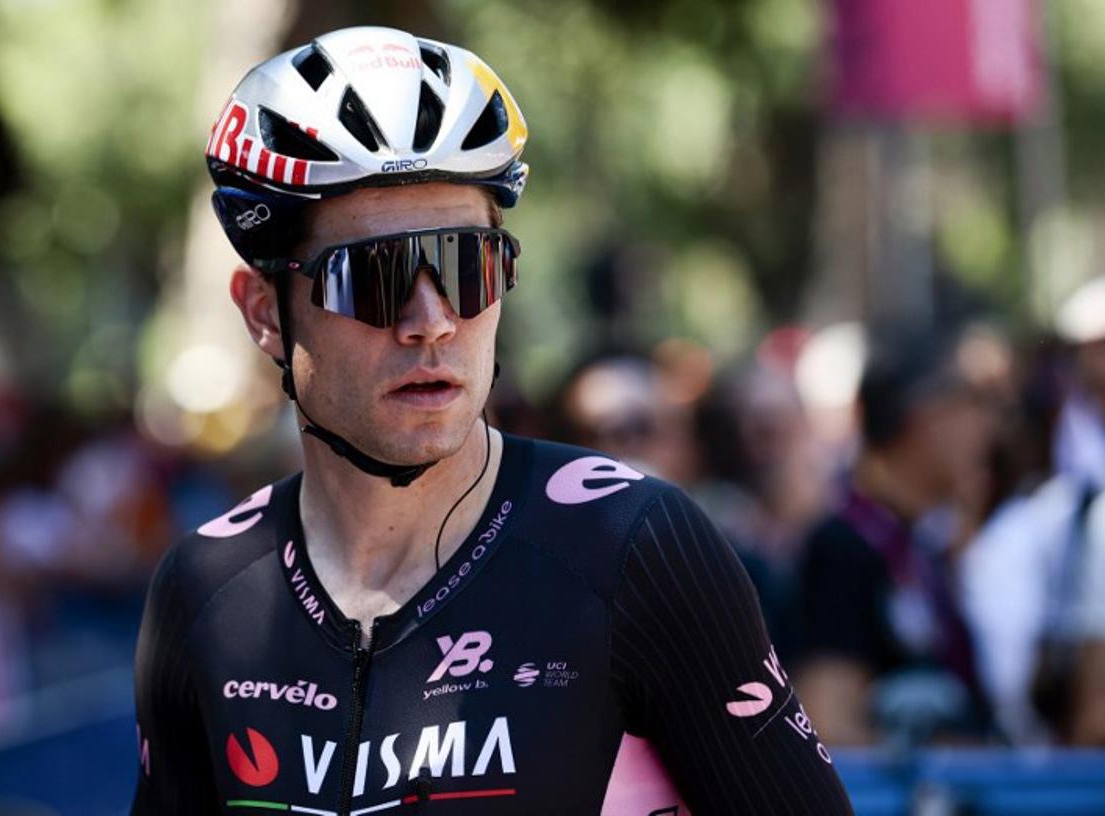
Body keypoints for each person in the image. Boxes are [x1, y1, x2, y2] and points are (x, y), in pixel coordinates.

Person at [131, 26, 852, 814]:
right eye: (373, 278)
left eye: (467, 265)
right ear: (266, 312)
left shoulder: (633, 546)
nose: (431, 321)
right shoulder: (205, 589)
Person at [794, 325, 994, 746]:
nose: (984, 430)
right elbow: (828, 724)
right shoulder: (845, 547)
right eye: (970, 406)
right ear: (921, 417)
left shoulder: (916, 542)